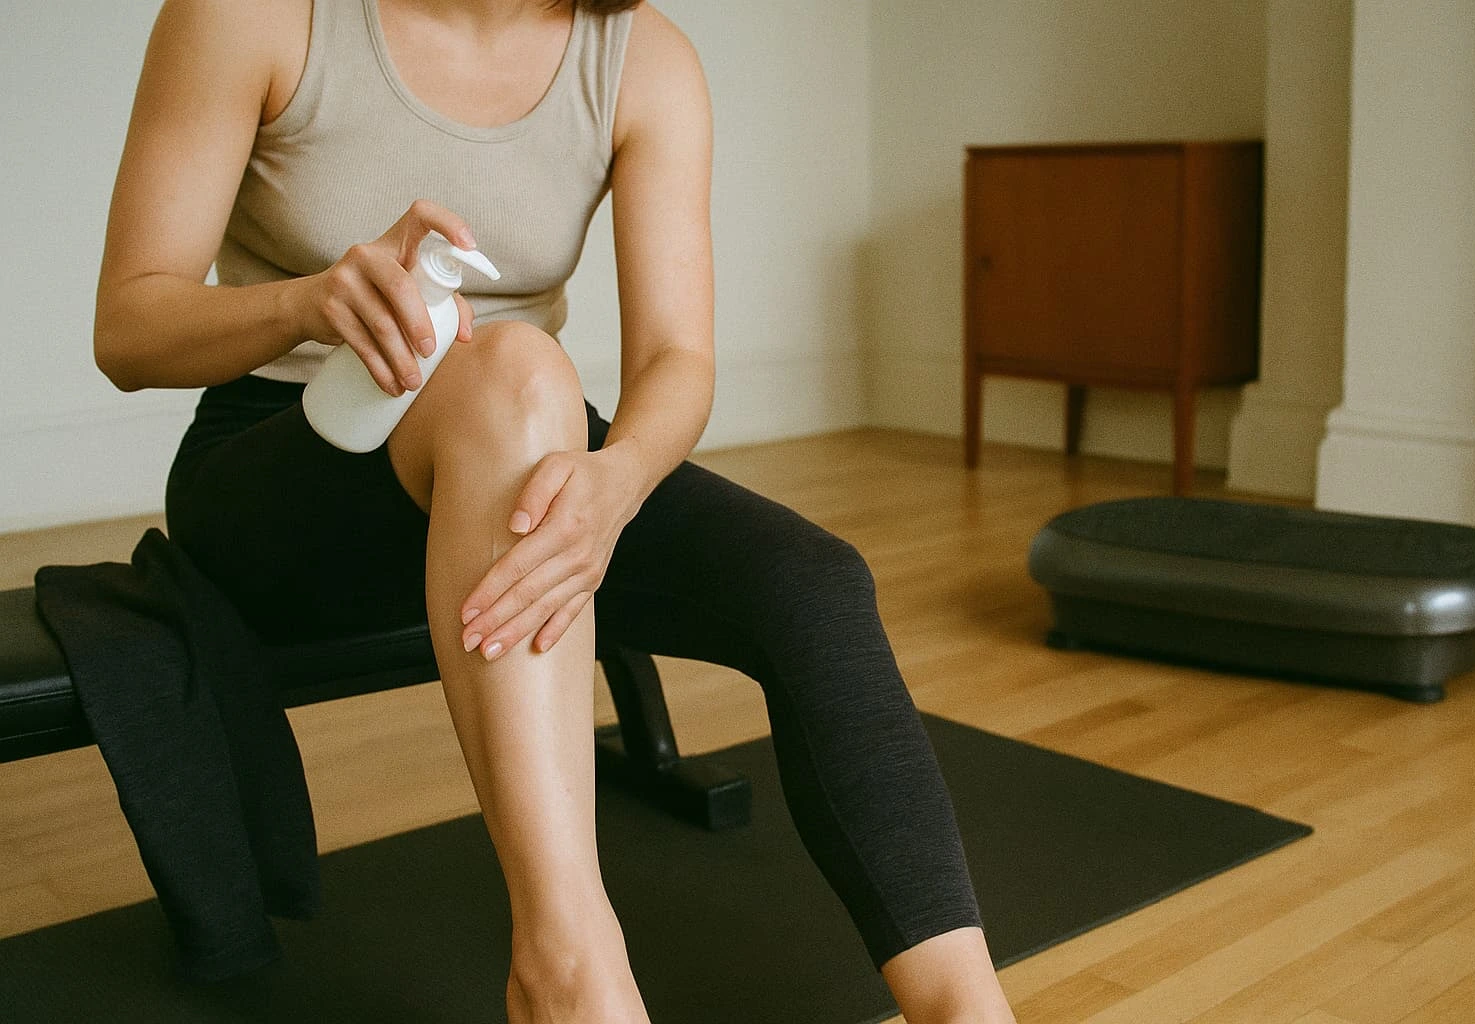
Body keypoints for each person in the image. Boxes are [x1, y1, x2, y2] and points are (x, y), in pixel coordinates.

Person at [94, 0, 1017, 1020]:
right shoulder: (254, 15)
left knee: (812, 579)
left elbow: (679, 359)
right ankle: (568, 967)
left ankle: (965, 1008)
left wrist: (617, 482)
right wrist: (305, 301)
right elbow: (129, 325)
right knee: (521, 367)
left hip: (528, 446)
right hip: (291, 460)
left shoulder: (643, 61)